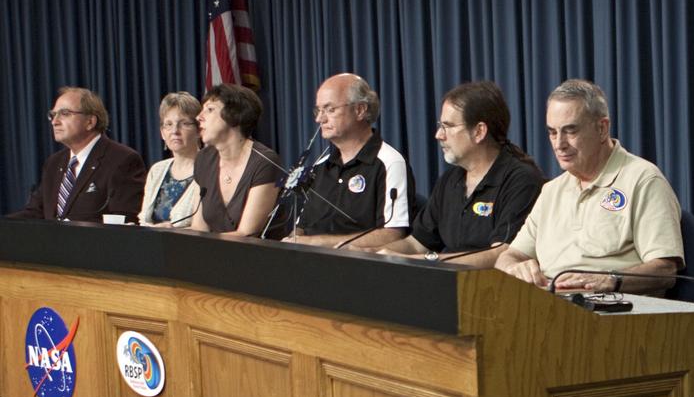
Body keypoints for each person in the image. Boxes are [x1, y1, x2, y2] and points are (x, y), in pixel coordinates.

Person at [496, 79, 683, 294]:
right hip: (549, 306)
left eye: (570, 131)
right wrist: (515, 267)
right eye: (552, 132)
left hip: (613, 310)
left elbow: (665, 270)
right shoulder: (551, 191)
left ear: (602, 128)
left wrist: (609, 280)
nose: (559, 144)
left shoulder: (643, 180)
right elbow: (508, 256)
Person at [379, 81, 544, 267]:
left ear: (479, 131)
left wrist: (425, 260)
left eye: (447, 126)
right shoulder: (450, 179)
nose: (438, 135)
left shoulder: (521, 180)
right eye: (440, 125)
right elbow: (417, 243)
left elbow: (500, 253)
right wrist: (375, 255)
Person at [286, 73, 411, 248]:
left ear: (360, 110)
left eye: (330, 109)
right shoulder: (320, 167)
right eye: (318, 110)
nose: (319, 119)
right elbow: (301, 228)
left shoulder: (390, 162)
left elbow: (392, 235)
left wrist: (319, 243)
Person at [11, 86, 145, 222]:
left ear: (90, 122)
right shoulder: (54, 163)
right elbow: (35, 213)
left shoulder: (122, 160)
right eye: (53, 115)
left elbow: (124, 220)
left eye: (64, 113)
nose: (54, 122)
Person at [189, 84, 286, 238]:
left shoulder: (264, 162)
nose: (198, 117)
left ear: (234, 115)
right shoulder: (204, 159)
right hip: (213, 255)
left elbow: (246, 234)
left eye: (210, 109)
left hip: (256, 256)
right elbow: (199, 228)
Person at [139, 92, 202, 226]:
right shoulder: (157, 170)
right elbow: (144, 220)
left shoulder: (210, 170)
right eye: (168, 124)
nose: (175, 131)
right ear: (162, 132)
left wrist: (170, 232)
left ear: (199, 130)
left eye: (184, 123)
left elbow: (210, 229)